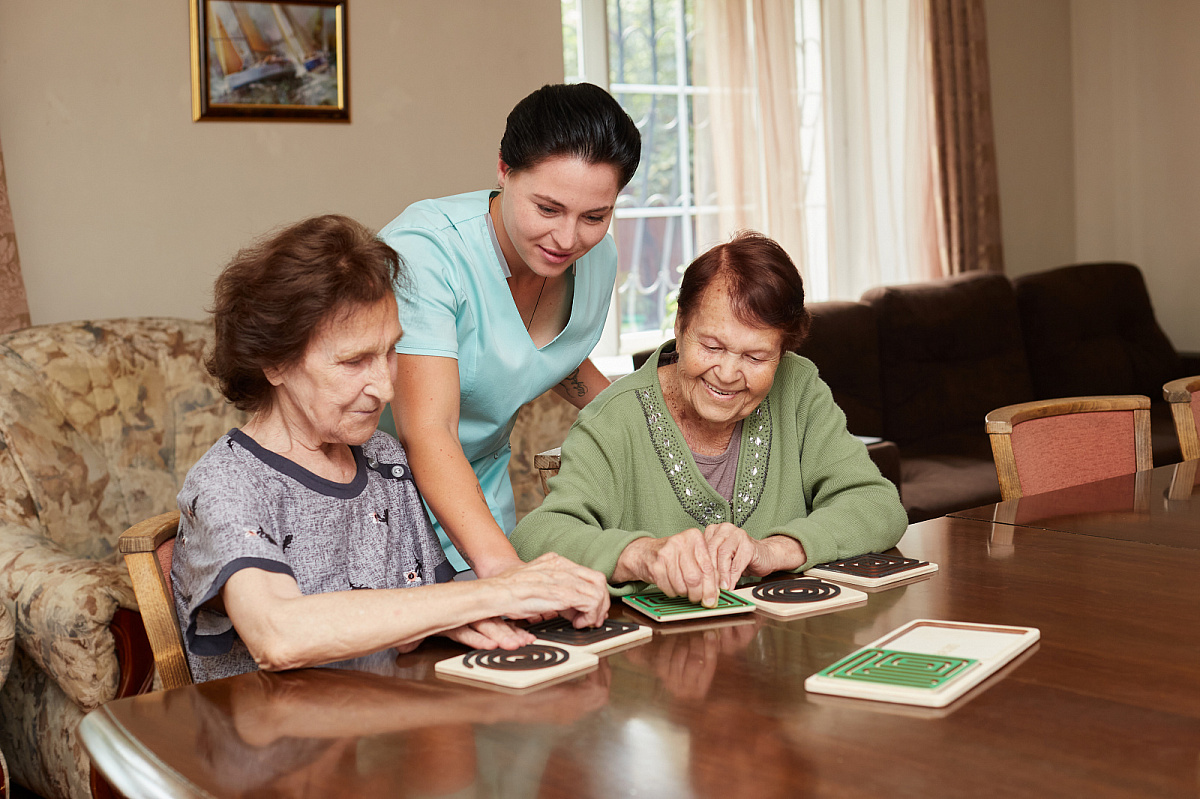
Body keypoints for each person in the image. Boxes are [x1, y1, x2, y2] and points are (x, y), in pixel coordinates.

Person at [171, 215, 609, 683]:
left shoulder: (383, 459)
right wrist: (495, 593)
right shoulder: (229, 483)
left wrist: (478, 611)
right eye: (354, 361)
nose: (383, 387)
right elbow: (277, 634)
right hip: (277, 745)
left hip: (383, 728)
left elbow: (415, 604)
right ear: (275, 363)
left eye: (391, 352)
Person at [510, 232, 907, 606]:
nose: (728, 373)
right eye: (712, 346)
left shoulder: (798, 388)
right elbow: (537, 538)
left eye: (755, 357)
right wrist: (641, 555)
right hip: (661, 662)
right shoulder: (613, 418)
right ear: (680, 326)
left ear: (782, 352)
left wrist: (776, 548)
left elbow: (877, 505)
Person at [379, 83, 641, 579]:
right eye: (547, 209)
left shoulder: (596, 256)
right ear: (503, 168)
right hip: (380, 495)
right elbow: (427, 430)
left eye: (595, 216)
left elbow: (541, 354)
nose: (567, 238)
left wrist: (647, 418)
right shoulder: (425, 254)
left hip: (481, 489)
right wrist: (502, 569)